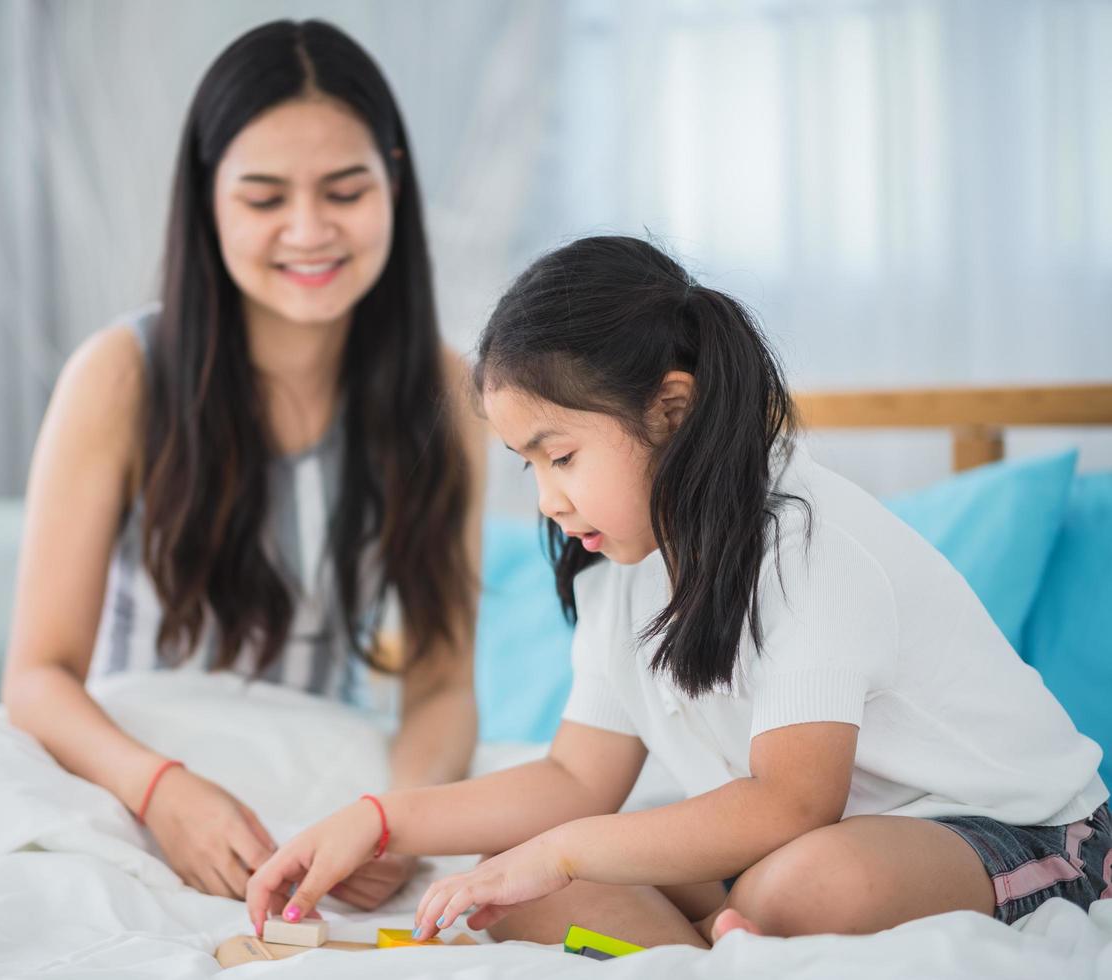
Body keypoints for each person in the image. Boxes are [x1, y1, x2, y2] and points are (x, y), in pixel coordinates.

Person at [245, 235, 1108, 946]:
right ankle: (714, 943)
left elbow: (792, 800)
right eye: (528, 467)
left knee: (803, 888)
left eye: (562, 455)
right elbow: (576, 780)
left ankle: (733, 926)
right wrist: (379, 817)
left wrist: (573, 852)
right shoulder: (617, 562)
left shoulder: (808, 543)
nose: (547, 498)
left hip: (1011, 829)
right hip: (798, 839)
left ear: (671, 411)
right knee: (515, 886)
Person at [2, 20, 487, 907]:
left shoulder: (449, 396)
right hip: (130, 769)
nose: (309, 231)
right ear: (207, 201)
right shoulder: (119, 375)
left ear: (395, 185)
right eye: (264, 199)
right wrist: (161, 791)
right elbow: (36, 676)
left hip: (324, 777)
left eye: (345, 190)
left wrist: (396, 816)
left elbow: (445, 685)